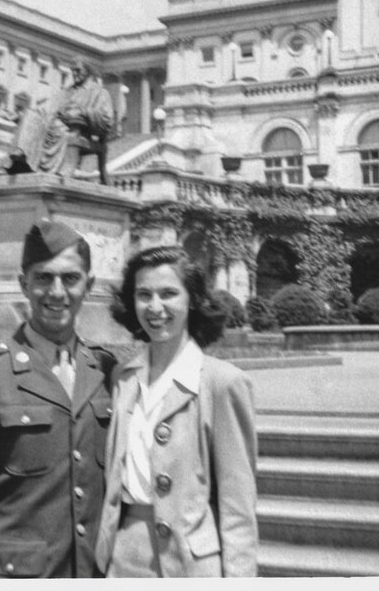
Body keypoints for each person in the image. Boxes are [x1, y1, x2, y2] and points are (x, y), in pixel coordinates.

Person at [0, 219, 116, 578]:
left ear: (89, 285)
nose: (56, 292)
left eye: (70, 278)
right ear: (23, 284)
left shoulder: (108, 371)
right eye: (43, 278)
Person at [95, 245, 258, 578]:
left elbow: (238, 507)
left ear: (192, 300)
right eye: (144, 295)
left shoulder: (222, 383)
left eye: (169, 293)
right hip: (122, 558)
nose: (155, 308)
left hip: (190, 564)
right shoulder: (123, 378)